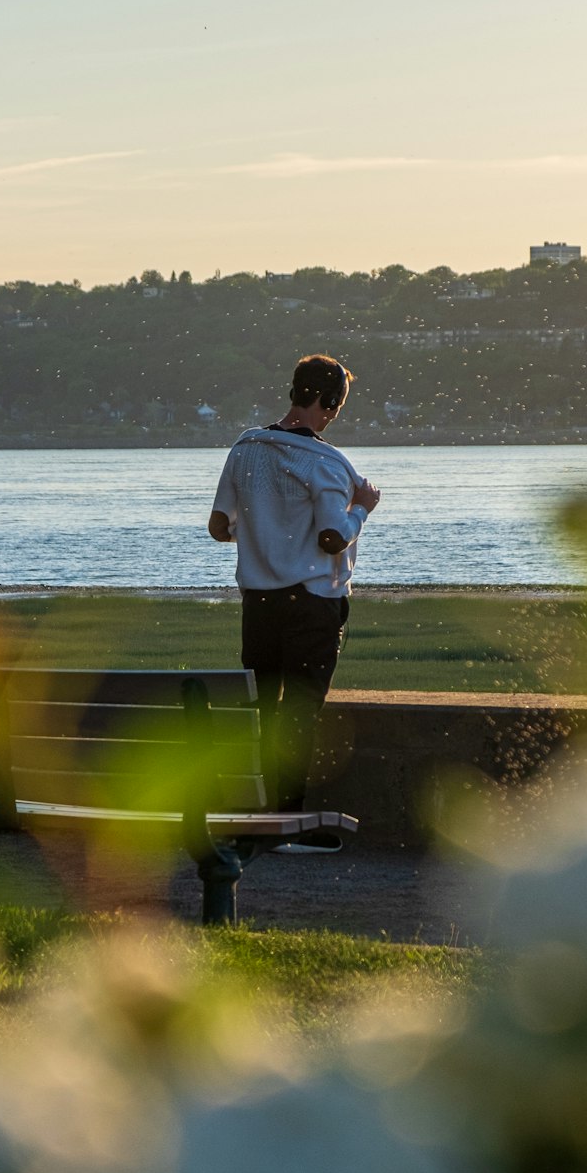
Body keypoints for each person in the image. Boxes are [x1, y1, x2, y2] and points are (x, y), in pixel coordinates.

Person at [208, 354, 380, 852]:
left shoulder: (245, 448)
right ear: (327, 401)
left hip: (258, 603)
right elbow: (331, 537)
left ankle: (258, 816)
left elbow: (219, 527)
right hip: (310, 606)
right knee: (300, 716)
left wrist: (262, 530)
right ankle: (289, 826)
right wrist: (362, 510)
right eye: (336, 407)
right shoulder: (327, 461)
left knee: (263, 711)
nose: (334, 416)